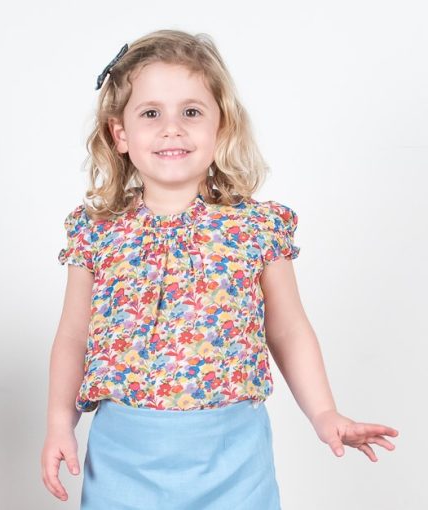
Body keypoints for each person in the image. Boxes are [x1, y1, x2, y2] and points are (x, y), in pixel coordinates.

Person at [41, 29, 399, 510]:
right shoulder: (97, 231)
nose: (172, 129)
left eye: (191, 112)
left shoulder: (256, 228)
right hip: (124, 459)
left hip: (234, 462)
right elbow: (73, 335)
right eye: (151, 114)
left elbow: (289, 329)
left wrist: (324, 413)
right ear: (119, 134)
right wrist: (59, 423)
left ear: (221, 127)